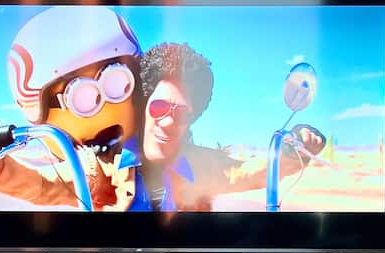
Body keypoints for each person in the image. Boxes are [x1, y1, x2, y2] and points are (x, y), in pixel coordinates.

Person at [0, 6, 150, 211]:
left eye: (119, 84)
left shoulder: (161, 134)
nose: (105, 106)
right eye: (82, 97)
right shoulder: (101, 167)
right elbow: (43, 185)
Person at [137, 43, 326, 211]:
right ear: (144, 105)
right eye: (159, 107)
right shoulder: (117, 157)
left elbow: (247, 172)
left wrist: (290, 151)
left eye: (181, 113)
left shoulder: (196, 167)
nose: (168, 122)